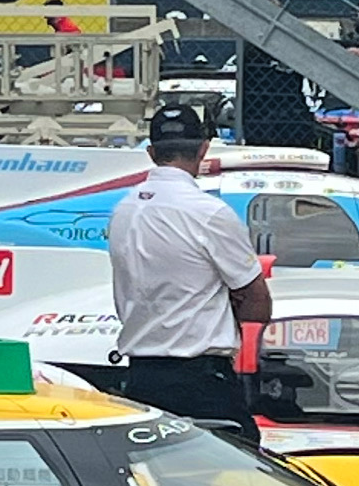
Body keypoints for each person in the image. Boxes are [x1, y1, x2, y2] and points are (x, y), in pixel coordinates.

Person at [103, 101, 271, 444]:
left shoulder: (123, 211)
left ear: (151, 153)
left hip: (141, 377)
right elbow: (258, 303)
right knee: (242, 464)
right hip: (200, 381)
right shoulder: (209, 213)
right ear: (204, 149)